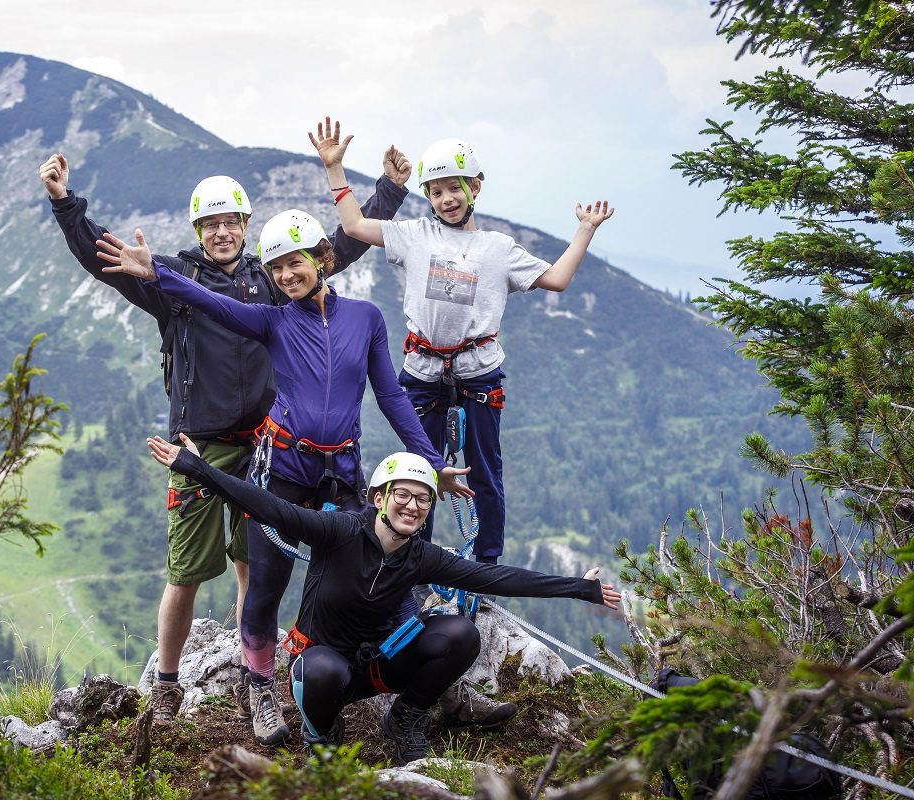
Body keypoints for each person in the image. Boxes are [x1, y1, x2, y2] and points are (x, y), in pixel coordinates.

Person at [39, 151, 410, 726]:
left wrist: (389, 188)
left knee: (251, 566)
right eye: (210, 224)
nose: (221, 232)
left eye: (231, 221)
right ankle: (166, 683)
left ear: (245, 224)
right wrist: (66, 204)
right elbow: (105, 257)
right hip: (200, 447)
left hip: (267, 448)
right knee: (185, 570)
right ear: (198, 231)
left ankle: (251, 679)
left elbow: (342, 244)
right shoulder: (175, 282)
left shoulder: (275, 278)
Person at [95, 208, 472, 746]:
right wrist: (155, 270)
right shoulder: (273, 320)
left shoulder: (365, 319)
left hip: (342, 471)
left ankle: (371, 680)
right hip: (282, 468)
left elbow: (389, 395)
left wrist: (430, 464)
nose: (285, 275)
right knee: (266, 584)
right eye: (275, 269)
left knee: (367, 578)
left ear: (321, 258)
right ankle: (261, 686)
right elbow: (213, 302)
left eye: (294, 263)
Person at [146, 436, 620, 765]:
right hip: (323, 668)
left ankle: (406, 719)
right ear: (378, 497)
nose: (413, 506)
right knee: (323, 669)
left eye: (423, 500)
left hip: (379, 666)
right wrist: (195, 467)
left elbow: (497, 576)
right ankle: (323, 733)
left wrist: (580, 587)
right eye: (403, 496)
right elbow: (270, 505)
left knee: (460, 634)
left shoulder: (421, 556)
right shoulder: (337, 532)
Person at [309, 118, 615, 565]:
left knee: (486, 473)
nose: (446, 199)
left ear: (475, 186)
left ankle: (485, 567)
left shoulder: (498, 248)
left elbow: (558, 278)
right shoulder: (415, 235)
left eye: (455, 188)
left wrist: (585, 229)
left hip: (478, 371)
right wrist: (335, 169)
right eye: (436, 191)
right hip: (423, 370)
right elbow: (355, 226)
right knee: (418, 473)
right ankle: (414, 563)